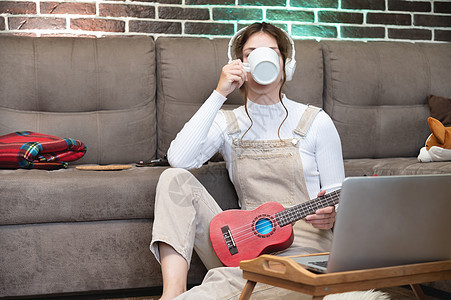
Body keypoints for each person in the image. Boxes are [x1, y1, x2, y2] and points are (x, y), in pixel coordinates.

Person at [150, 22, 345, 300]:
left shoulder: (315, 121)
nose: (260, 58)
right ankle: (172, 293)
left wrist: (332, 213)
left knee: (236, 283)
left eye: (270, 52)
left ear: (286, 65)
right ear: (241, 64)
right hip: (241, 244)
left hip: (304, 248)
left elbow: (340, 196)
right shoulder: (229, 123)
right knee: (172, 179)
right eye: (251, 53)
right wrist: (220, 93)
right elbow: (179, 159)